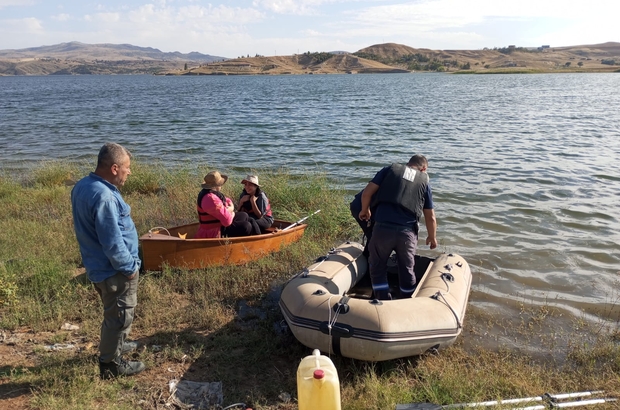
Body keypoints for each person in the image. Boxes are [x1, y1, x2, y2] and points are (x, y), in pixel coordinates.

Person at [71, 142, 145, 379]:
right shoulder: (105, 197)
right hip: (114, 271)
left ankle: (117, 345)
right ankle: (111, 366)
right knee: (120, 317)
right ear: (114, 168)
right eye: (127, 168)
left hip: (97, 266)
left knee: (113, 312)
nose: (129, 172)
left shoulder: (84, 185)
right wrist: (129, 269)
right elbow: (112, 243)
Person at [358, 154, 437, 301]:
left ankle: (382, 300)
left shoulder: (389, 170)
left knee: (377, 266)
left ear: (408, 164)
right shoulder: (424, 182)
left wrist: (364, 210)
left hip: (382, 229)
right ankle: (406, 302)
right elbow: (430, 216)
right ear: (424, 168)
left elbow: (366, 193)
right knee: (407, 270)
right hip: (407, 233)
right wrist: (432, 237)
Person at [195, 170, 261, 238]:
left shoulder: (210, 193)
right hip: (214, 231)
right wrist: (231, 211)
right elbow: (227, 222)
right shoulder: (210, 199)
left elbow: (227, 200)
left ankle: (259, 238)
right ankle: (248, 244)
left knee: (244, 215)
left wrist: (230, 207)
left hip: (219, 224)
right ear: (217, 185)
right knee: (246, 226)